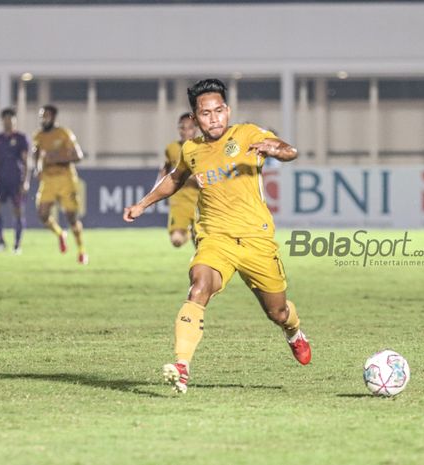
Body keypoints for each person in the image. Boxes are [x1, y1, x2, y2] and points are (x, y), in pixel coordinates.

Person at [123, 78, 311, 394]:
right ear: (196, 119)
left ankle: (294, 332)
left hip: (256, 240)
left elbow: (288, 150)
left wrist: (275, 149)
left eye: (219, 111)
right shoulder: (191, 150)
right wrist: (143, 204)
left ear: (227, 110)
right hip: (215, 238)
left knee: (277, 312)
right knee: (199, 286)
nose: (214, 118)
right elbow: (175, 179)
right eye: (206, 114)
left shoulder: (248, 134)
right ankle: (181, 367)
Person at [32, 105, 88, 265]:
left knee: (72, 218)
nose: (43, 119)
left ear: (54, 117)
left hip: (66, 179)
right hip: (48, 180)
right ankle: (60, 234)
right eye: (42, 116)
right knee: (42, 214)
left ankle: (81, 251)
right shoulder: (38, 136)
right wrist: (37, 169)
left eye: (47, 116)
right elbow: (35, 154)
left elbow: (78, 156)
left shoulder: (64, 134)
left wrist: (56, 158)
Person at [0, 108, 30, 254]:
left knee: (18, 211)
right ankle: (0, 241)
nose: (8, 122)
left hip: (16, 181)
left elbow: (25, 161)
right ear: (2, 121)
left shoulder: (21, 138)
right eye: (6, 119)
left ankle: (17, 245)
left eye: (11, 119)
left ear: (14, 121)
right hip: (1, 181)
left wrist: (26, 181)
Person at [159, 112, 199, 247]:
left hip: (200, 203)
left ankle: (193, 232)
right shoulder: (172, 148)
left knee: (200, 246)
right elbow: (165, 168)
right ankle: (189, 231)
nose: (186, 131)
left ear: (196, 128)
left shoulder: (203, 147)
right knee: (176, 241)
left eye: (190, 127)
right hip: (179, 202)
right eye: (182, 128)